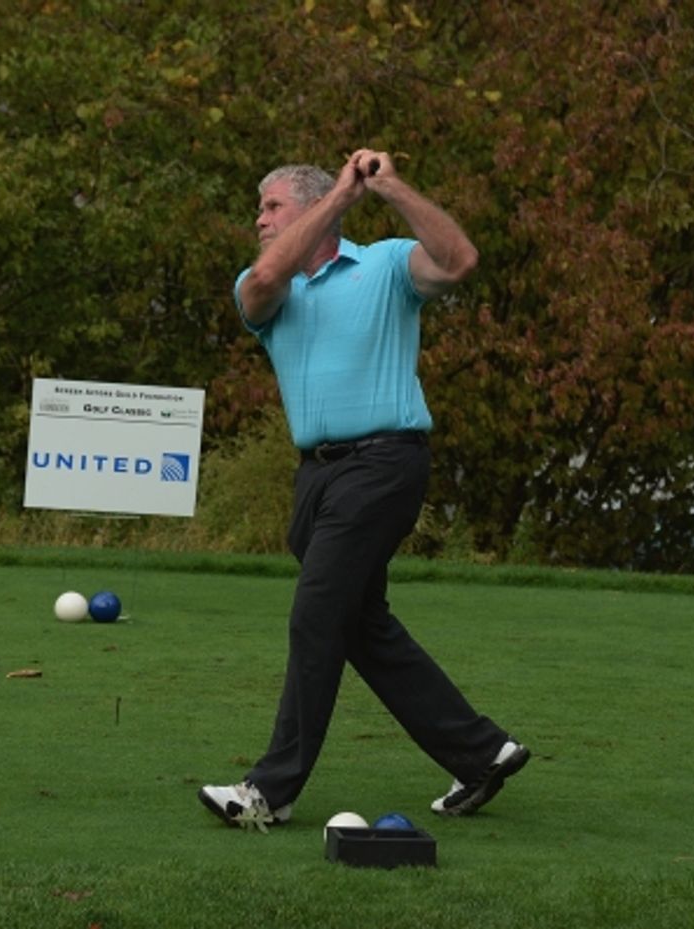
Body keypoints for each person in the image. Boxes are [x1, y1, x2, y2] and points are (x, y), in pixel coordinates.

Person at [198, 149, 529, 831]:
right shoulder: (265, 289)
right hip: (315, 478)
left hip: (383, 464)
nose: (259, 219)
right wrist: (340, 198)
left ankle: (270, 789)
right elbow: (265, 276)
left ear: (315, 208)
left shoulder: (384, 264)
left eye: (272, 206)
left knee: (317, 614)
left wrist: (386, 187)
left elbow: (461, 259)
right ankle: (481, 750)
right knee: (358, 624)